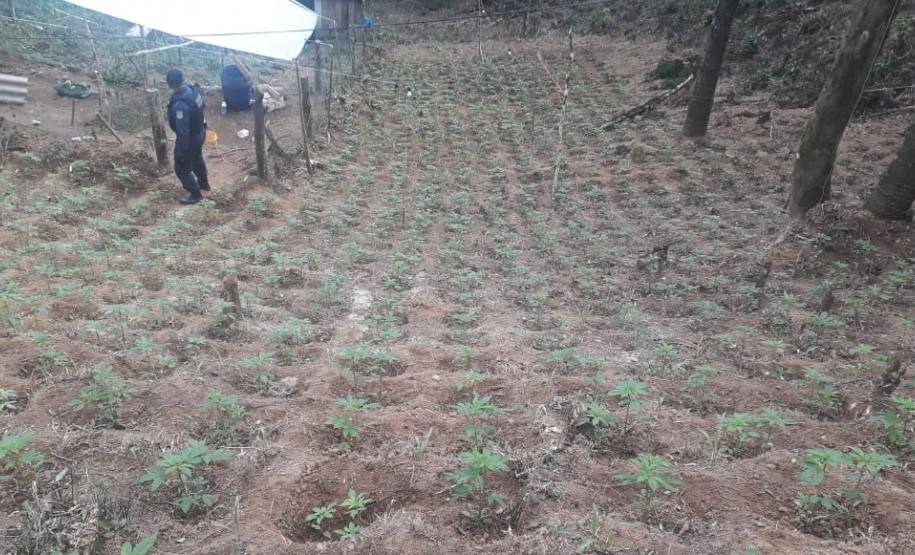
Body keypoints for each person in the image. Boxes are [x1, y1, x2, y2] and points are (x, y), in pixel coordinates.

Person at [166, 69, 210, 205]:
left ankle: (195, 194)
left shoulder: (180, 105)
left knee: (181, 167)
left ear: (170, 84)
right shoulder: (192, 91)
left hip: (191, 137)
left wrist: (181, 152)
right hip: (200, 131)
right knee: (197, 158)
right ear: (182, 79)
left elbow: (183, 133)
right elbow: (202, 107)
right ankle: (203, 183)